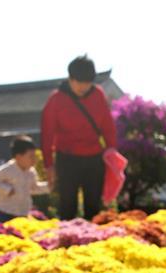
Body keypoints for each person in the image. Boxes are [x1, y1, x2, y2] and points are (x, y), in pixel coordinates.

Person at [41, 55, 118, 220]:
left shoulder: (98, 94)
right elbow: (47, 134)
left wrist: (112, 151)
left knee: (93, 207)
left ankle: (93, 243)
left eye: (87, 82)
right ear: (70, 78)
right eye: (79, 82)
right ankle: (66, 242)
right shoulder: (56, 99)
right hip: (67, 158)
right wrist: (49, 165)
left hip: (94, 158)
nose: (83, 87)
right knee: (67, 206)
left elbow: (108, 126)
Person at [0, 135, 49, 223]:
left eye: (34, 156)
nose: (34, 160)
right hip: (5, 212)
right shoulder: (7, 170)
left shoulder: (31, 172)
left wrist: (49, 186)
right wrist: (7, 189)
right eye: (31, 156)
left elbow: (34, 188)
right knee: (5, 234)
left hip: (22, 212)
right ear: (18, 157)